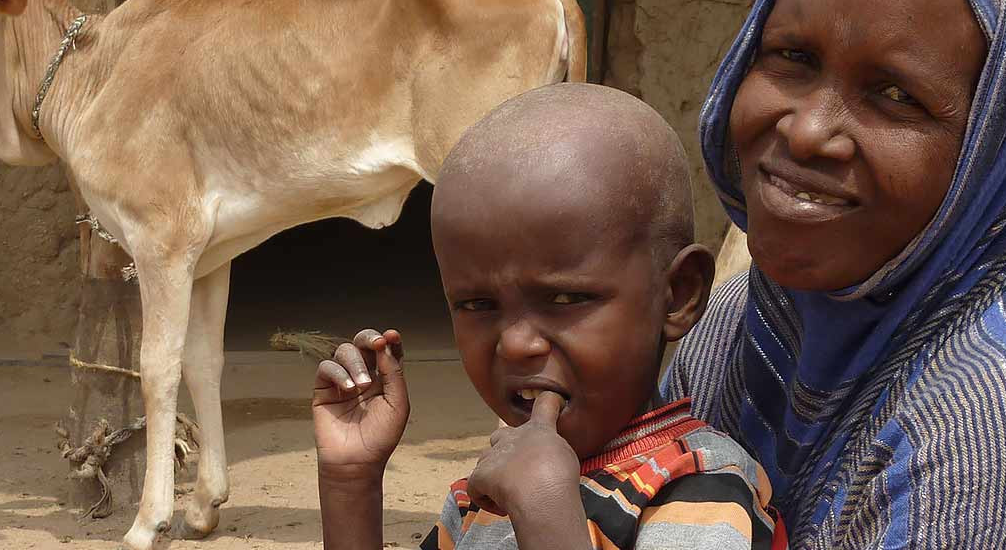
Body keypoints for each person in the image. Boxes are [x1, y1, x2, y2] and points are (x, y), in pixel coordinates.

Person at [661, 0, 1006, 546]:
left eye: (895, 94)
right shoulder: (741, 322)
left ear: (1003, 147)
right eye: (792, 57)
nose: (806, 131)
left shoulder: (1000, 431)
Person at [311, 83, 787, 549]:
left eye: (564, 300)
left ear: (678, 295)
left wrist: (545, 511)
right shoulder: (479, 497)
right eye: (478, 305)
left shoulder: (702, 490)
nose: (516, 344)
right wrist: (351, 481)